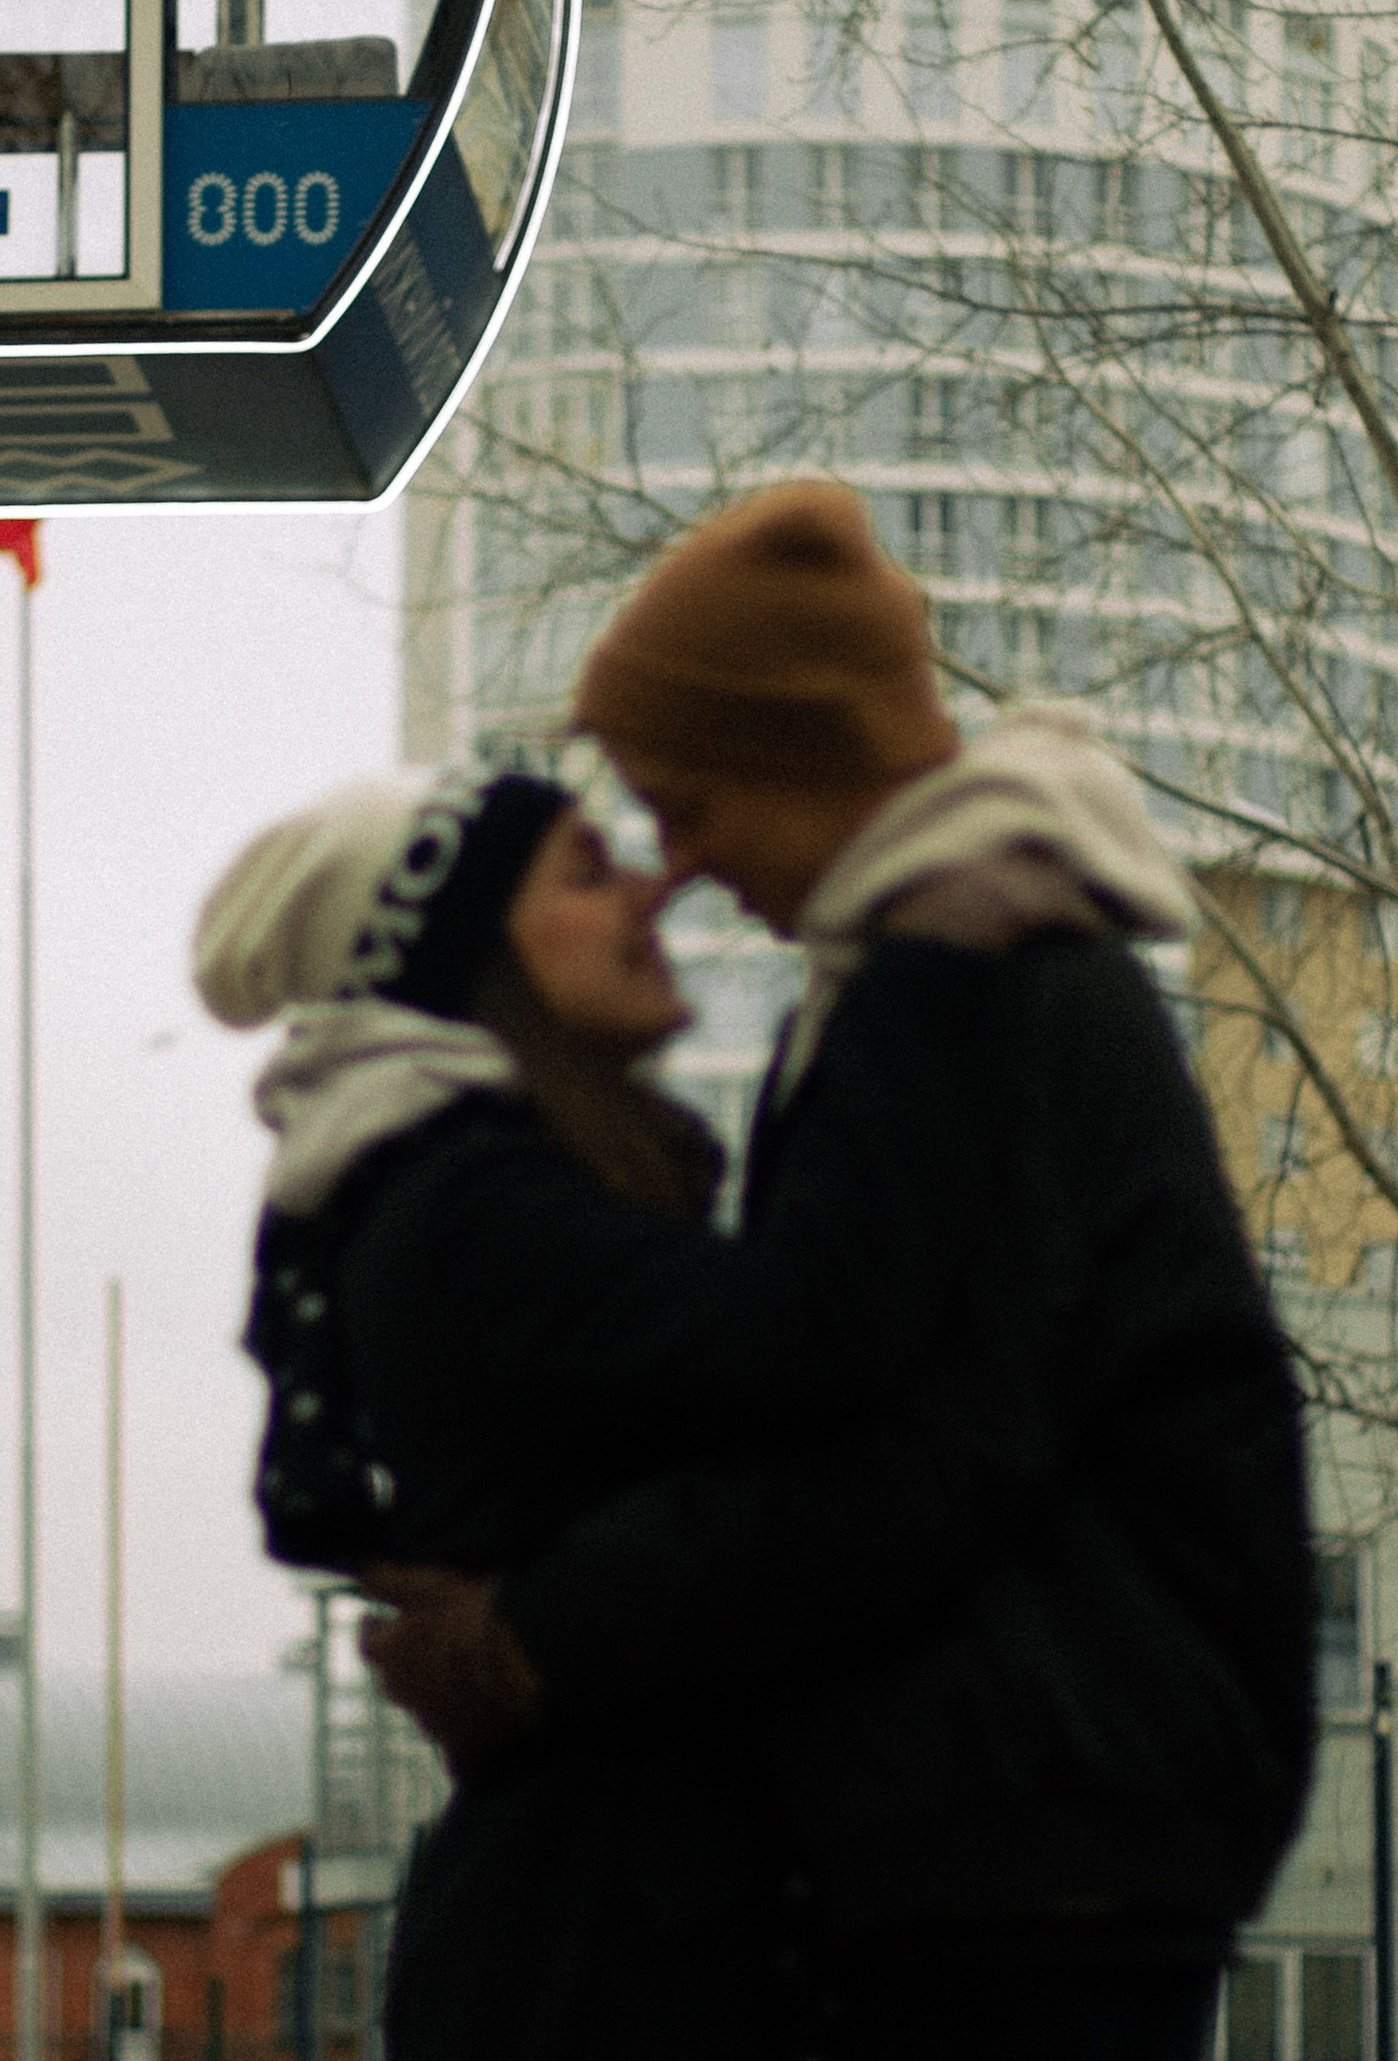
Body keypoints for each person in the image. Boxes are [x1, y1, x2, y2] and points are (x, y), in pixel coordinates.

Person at [360, 481, 1317, 2061]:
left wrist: (541, 1631)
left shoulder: (966, 977)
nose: (678, 866)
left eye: (688, 806)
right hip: (1057, 1812)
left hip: (1028, 1823)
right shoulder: (941, 967)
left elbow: (912, 1452)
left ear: (805, 760)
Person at [194, 751, 1053, 2060]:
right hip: (618, 1953)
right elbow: (841, 1392)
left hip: (606, 1930)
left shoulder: (452, 1197)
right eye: (588, 872)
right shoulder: (474, 1209)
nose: (654, 892)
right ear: (463, 953)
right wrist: (916, 969)